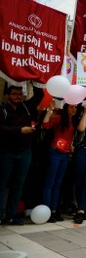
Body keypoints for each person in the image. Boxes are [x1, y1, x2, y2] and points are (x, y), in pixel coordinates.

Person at [0, 84, 43, 225]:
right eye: (14, 94)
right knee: (2, 184)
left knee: (18, 185)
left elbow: (39, 96)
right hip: (7, 152)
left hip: (25, 152)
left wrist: (33, 78)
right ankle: (1, 215)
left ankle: (11, 215)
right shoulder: (3, 110)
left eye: (20, 93)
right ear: (7, 95)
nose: (18, 96)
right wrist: (19, 130)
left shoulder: (26, 107)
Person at [41, 101, 78, 222]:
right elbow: (45, 125)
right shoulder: (59, 118)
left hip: (65, 154)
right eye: (72, 106)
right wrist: (50, 110)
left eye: (75, 107)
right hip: (55, 152)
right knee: (50, 183)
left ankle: (54, 210)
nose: (74, 109)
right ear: (66, 107)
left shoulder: (72, 120)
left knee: (58, 184)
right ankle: (47, 211)